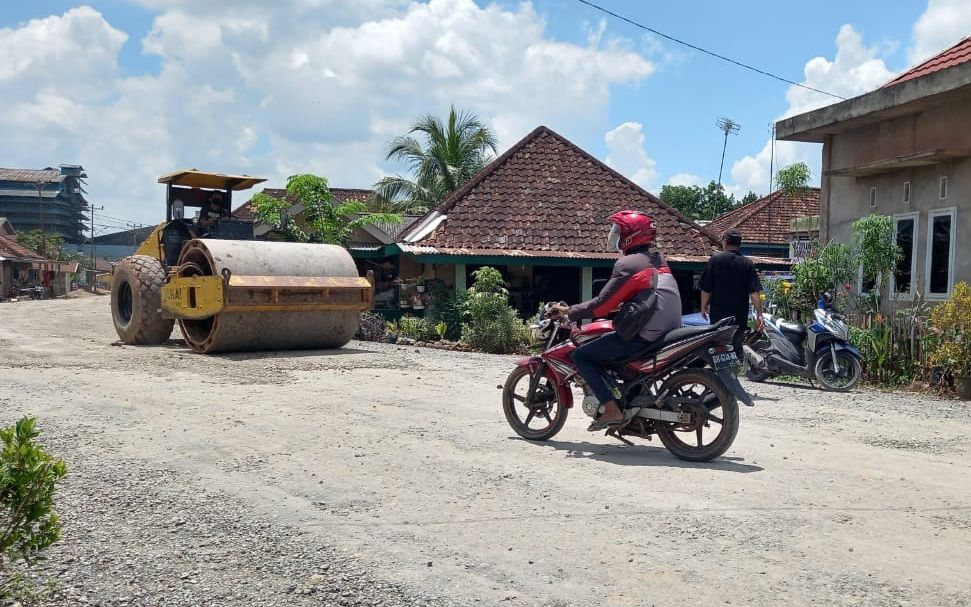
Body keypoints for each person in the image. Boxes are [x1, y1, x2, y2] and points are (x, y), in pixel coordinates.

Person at [551, 210, 682, 431]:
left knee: (582, 356)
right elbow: (646, 294)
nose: (615, 236)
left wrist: (568, 311)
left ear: (631, 235)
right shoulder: (658, 259)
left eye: (619, 231)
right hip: (667, 329)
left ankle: (611, 409)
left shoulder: (628, 264)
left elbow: (602, 305)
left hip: (646, 334)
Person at [699, 228, 764, 352]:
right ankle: (736, 370)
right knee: (736, 348)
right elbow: (754, 293)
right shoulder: (747, 264)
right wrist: (759, 314)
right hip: (739, 318)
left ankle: (720, 370)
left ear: (724, 242)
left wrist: (703, 306)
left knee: (718, 349)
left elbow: (706, 289)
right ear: (739, 244)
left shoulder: (714, 261)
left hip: (719, 318)